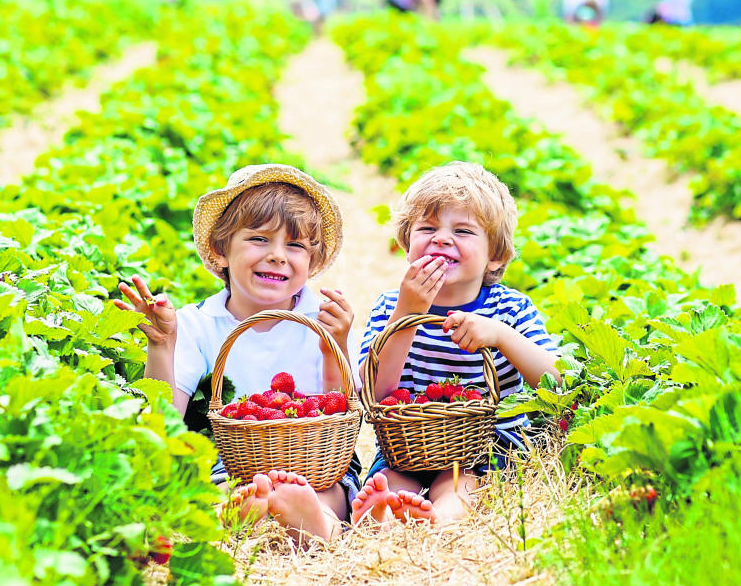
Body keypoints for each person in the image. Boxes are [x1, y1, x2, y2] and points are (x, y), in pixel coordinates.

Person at [115, 164, 358, 544]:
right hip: (231, 467)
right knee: (218, 489)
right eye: (259, 239)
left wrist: (335, 346)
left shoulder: (325, 319)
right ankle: (252, 508)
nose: (278, 256)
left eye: (294, 245)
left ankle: (317, 519)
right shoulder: (196, 324)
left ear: (312, 263)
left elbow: (343, 412)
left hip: (318, 465)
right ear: (220, 250)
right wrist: (161, 345)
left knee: (332, 490)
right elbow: (165, 422)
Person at [351, 162, 561, 525]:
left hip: (486, 447)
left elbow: (556, 383)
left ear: (495, 254)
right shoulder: (391, 306)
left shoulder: (510, 309)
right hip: (408, 446)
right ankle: (384, 511)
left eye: (462, 231)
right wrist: (406, 313)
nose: (442, 238)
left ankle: (440, 517)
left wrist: (501, 336)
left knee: (461, 484)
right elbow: (373, 389)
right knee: (392, 480)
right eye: (427, 228)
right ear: (406, 245)